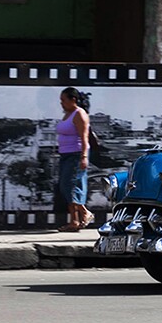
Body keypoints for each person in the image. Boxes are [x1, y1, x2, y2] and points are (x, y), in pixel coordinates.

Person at [55, 86, 92, 231]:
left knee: (70, 186)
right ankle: (78, 218)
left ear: (73, 100)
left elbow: (84, 138)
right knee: (66, 187)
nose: (61, 103)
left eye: (63, 100)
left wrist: (84, 157)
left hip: (75, 155)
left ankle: (80, 216)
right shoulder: (67, 114)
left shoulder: (79, 114)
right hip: (65, 155)